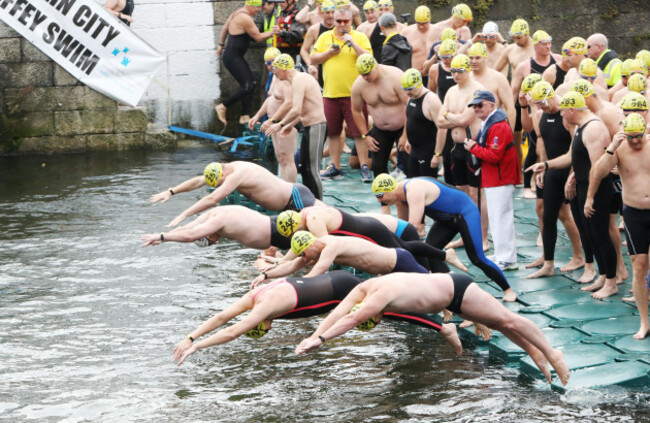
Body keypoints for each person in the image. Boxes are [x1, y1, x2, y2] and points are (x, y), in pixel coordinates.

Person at [295, 272, 570, 386]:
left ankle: (550, 352)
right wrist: (312, 336)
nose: (378, 321)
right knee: (501, 323)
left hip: (457, 289)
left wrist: (321, 340)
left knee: (508, 319)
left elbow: (349, 320)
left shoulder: (376, 298)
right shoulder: (363, 288)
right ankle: (535, 352)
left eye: (374, 319)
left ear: (371, 311)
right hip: (450, 296)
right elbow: (338, 312)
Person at [172, 271, 464, 366]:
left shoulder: (263, 310)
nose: (270, 327)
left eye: (264, 329)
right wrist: (190, 336)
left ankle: (443, 326)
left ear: (263, 323)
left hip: (340, 291)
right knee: (391, 303)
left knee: (389, 311)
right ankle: (446, 308)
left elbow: (233, 330)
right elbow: (223, 315)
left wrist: (199, 346)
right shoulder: (256, 296)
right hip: (333, 280)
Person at [528, 91, 618, 299]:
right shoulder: (581, 126)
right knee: (591, 233)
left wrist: (590, 197)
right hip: (585, 187)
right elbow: (571, 157)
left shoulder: (594, 128)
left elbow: (598, 169)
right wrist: (547, 164)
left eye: (562, 113)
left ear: (571, 110)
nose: (561, 117)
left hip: (596, 189)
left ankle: (611, 282)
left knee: (600, 235)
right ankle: (604, 275)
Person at [371, 174, 517, 301]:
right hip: (445, 220)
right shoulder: (398, 197)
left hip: (464, 213)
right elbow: (402, 230)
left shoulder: (413, 189)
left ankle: (508, 290)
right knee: (429, 253)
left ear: (391, 189)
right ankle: (451, 290)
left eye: (380, 196)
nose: (379, 200)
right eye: (376, 197)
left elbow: (413, 226)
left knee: (477, 258)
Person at [585, 113, 650, 338]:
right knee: (639, 267)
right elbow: (599, 172)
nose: (634, 141)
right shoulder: (620, 148)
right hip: (633, 214)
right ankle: (644, 322)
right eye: (630, 136)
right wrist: (612, 147)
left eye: (638, 136)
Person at [522, 81, 585, 279]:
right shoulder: (541, 114)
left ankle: (579, 256)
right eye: (537, 103)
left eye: (542, 103)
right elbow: (542, 142)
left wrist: (572, 176)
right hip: (550, 171)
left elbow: (574, 150)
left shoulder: (567, 116)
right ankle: (547, 261)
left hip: (567, 172)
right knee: (548, 215)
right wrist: (542, 167)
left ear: (551, 96)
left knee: (566, 215)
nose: (540, 107)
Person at [275, 207, 464, 271]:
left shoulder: (313, 221)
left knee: (403, 254)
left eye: (294, 232)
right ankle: (444, 256)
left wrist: (295, 265)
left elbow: (324, 249)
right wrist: (282, 262)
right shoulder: (306, 214)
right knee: (404, 250)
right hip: (370, 227)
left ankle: (443, 258)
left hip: (372, 231)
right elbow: (304, 245)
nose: (295, 236)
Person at [157, 161, 322, 227]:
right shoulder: (225, 170)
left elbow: (213, 198)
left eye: (220, 182)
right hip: (288, 204)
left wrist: (184, 215)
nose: (221, 185)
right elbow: (198, 181)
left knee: (325, 227)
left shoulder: (238, 173)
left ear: (224, 174)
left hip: (296, 198)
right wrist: (172, 191)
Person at [311, 6, 372, 180]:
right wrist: (329, 52)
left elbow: (369, 58)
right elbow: (313, 58)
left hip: (354, 94)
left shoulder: (359, 36)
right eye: (339, 21)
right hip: (331, 93)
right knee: (333, 132)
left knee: (360, 132)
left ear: (351, 20)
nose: (342, 24)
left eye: (346, 21)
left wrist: (352, 43)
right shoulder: (325, 37)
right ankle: (334, 166)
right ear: (334, 21)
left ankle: (364, 165)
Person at [464, 90, 520, 270]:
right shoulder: (490, 123)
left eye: (480, 105)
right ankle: (502, 254)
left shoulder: (498, 126)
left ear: (491, 105)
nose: (477, 109)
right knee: (497, 219)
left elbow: (494, 155)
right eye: (474, 106)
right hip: (494, 177)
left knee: (501, 218)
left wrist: (473, 148)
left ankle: (508, 258)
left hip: (500, 177)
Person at [437, 54, 488, 245]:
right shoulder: (451, 91)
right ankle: (466, 235)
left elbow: (464, 120)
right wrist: (454, 117)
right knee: (462, 194)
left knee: (476, 195)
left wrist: (450, 115)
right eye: (452, 71)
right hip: (456, 148)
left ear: (468, 70)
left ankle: (482, 238)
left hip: (473, 147)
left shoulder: (477, 91)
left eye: (459, 71)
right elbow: (439, 122)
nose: (456, 75)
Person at [264, 54, 328, 200]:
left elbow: (296, 109)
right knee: (305, 169)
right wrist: (289, 125)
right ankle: (311, 202)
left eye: (275, 68)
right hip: (309, 127)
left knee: (312, 170)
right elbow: (303, 110)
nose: (273, 72)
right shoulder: (297, 80)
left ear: (284, 69)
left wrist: (278, 124)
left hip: (317, 127)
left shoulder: (299, 79)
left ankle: (319, 204)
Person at [215, 0, 280, 125]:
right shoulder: (245, 18)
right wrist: (273, 33)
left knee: (251, 83)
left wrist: (220, 45)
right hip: (233, 58)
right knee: (247, 85)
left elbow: (224, 28)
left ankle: (245, 116)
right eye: (257, 8)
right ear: (251, 5)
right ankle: (223, 106)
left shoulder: (237, 13)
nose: (259, 11)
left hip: (233, 56)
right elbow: (258, 37)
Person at [351, 54, 408, 179]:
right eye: (362, 74)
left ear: (375, 67)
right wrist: (365, 136)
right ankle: (385, 197)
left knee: (408, 168)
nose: (365, 77)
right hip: (380, 129)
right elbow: (356, 110)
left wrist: (405, 135)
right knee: (378, 167)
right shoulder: (359, 85)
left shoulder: (395, 76)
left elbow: (410, 105)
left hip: (402, 127)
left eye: (367, 73)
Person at [141, 205, 292, 251]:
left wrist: (161, 237)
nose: (214, 243)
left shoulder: (218, 221)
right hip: (278, 224)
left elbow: (190, 235)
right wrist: (165, 237)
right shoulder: (212, 214)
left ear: (206, 234)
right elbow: (188, 228)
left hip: (279, 234)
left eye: (209, 242)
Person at [250, 47, 298, 183]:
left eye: (273, 62)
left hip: (285, 123)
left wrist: (272, 120)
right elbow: (270, 99)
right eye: (267, 63)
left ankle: (291, 190)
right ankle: (284, 188)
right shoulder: (275, 77)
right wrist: (257, 116)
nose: (270, 66)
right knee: (280, 158)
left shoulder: (285, 79)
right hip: (276, 124)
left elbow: (289, 103)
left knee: (288, 159)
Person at [401, 69, 442, 179]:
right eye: (404, 89)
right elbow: (411, 119)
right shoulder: (411, 97)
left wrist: (437, 154)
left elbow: (442, 129)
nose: (407, 93)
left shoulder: (432, 100)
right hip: (413, 150)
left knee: (427, 187)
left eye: (410, 89)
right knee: (412, 185)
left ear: (419, 84)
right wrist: (408, 140)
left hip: (427, 152)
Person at [427, 39, 456, 183]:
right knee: (444, 146)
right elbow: (431, 93)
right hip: (443, 113)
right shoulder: (435, 69)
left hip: (458, 112)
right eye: (442, 57)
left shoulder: (462, 68)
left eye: (449, 57)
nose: (446, 60)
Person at [467, 43, 515, 128]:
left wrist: (509, 134)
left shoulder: (498, 78)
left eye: (478, 58)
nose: (474, 61)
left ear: (485, 58)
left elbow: (510, 109)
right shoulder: (466, 78)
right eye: (471, 58)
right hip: (470, 134)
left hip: (493, 132)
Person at [300, 0, 336, 83]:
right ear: (322, 13)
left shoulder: (340, 27)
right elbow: (304, 50)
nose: (331, 16)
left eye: (333, 12)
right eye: (327, 13)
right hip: (320, 70)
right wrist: (310, 65)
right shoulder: (314, 29)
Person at [400, 6, 433, 84]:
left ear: (429, 20)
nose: (421, 26)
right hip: (413, 76)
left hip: (432, 75)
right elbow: (399, 55)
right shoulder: (406, 32)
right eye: (418, 23)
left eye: (424, 23)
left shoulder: (437, 31)